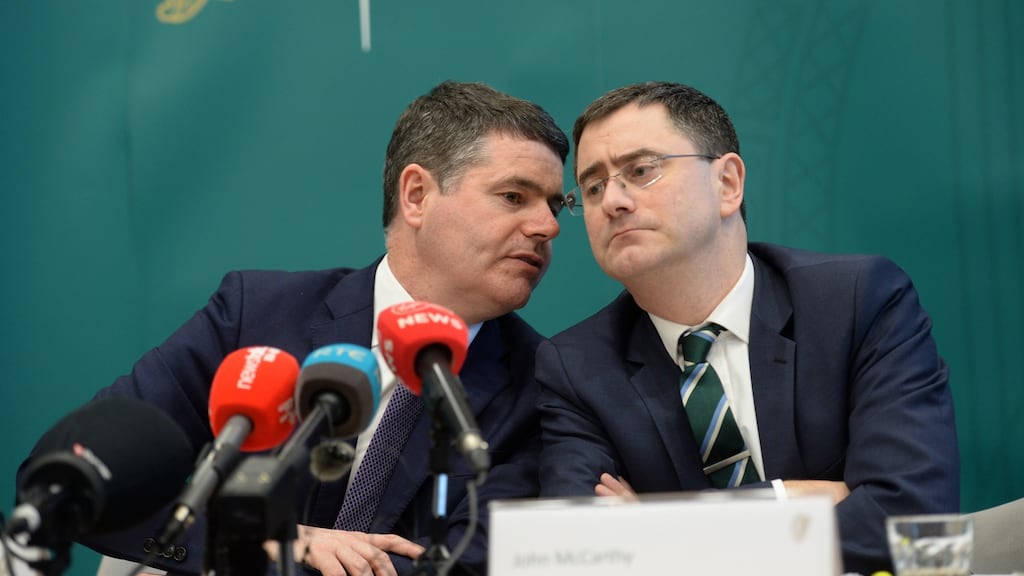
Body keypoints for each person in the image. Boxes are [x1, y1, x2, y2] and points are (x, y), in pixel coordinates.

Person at [73, 80, 569, 576]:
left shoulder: (544, 383)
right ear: (417, 195)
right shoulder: (256, 315)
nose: (547, 226)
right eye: (513, 196)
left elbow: (465, 562)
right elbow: (76, 479)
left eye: (553, 204)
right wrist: (265, 540)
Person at [536, 81, 959, 574]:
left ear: (727, 184)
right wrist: (794, 501)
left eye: (641, 171)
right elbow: (583, 553)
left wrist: (662, 532)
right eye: (592, 186)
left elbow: (916, 524)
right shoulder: (577, 367)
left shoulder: (858, 301)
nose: (612, 201)